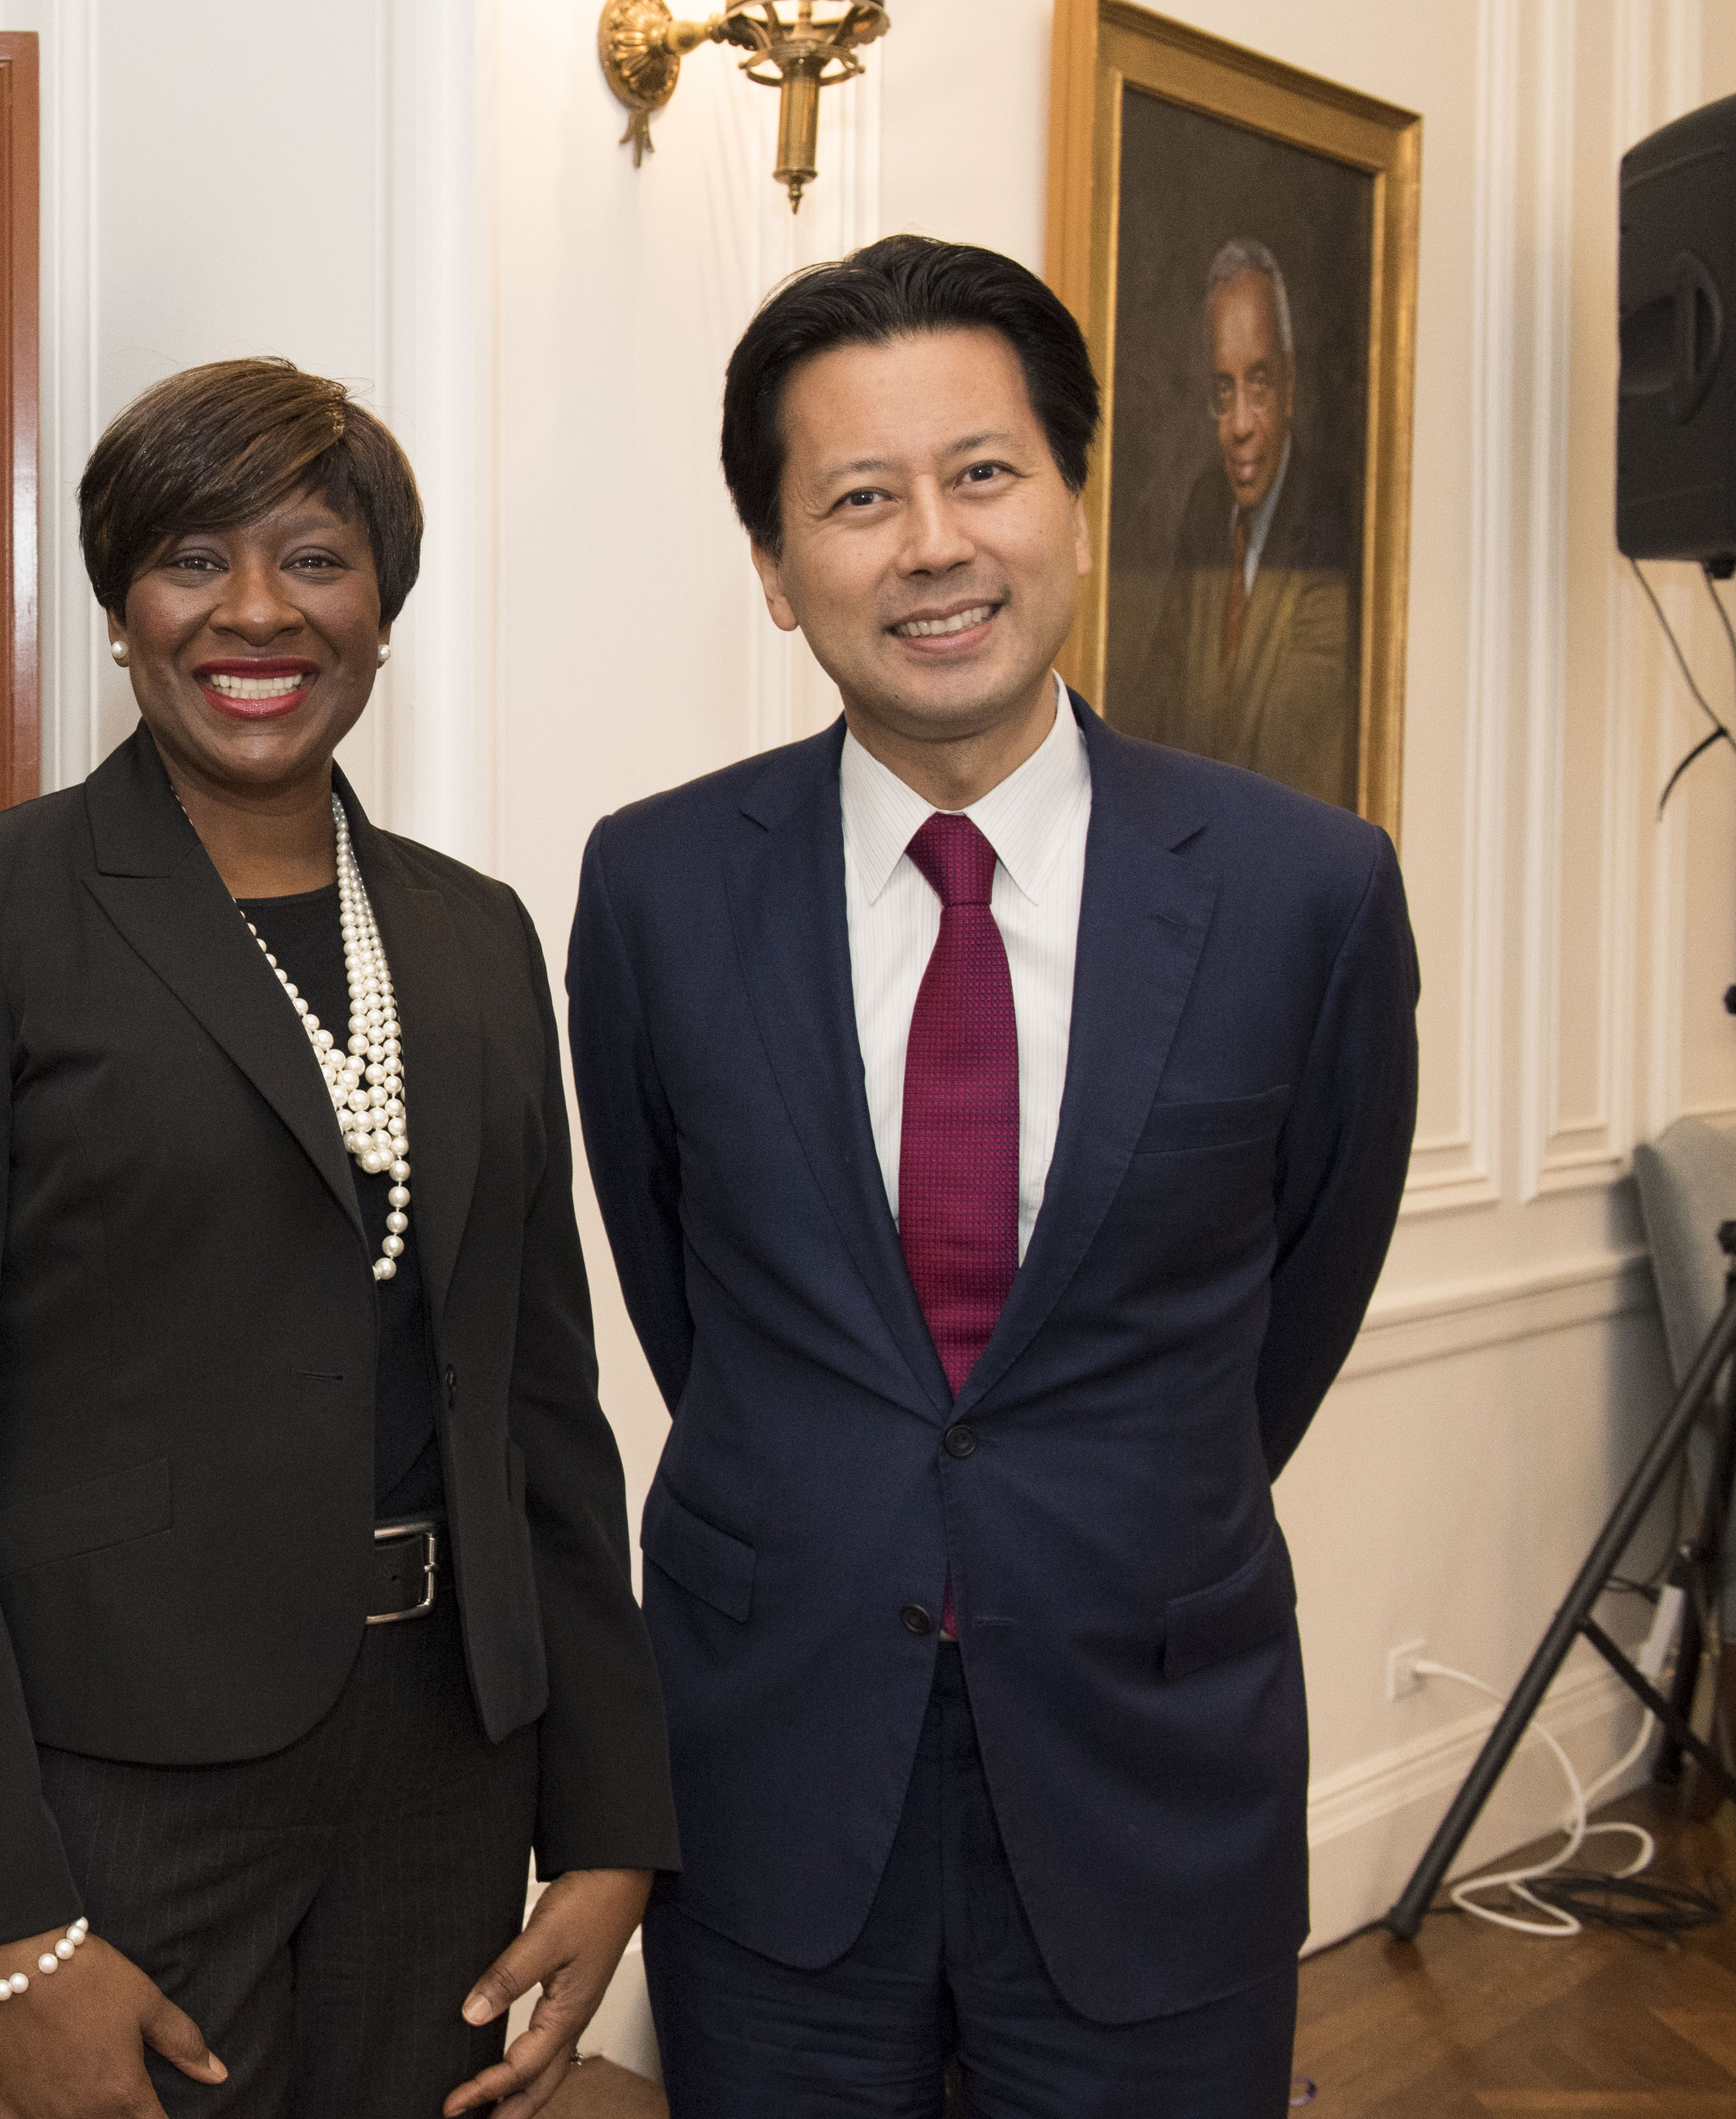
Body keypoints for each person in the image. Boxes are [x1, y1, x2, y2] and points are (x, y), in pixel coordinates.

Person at [565, 236, 1418, 2114]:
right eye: (857, 499)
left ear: (1077, 505)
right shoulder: (654, 887)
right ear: (779, 576)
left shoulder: (1303, 890)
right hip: (772, 1772)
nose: (930, 544)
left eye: (982, 472)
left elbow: (1298, 1284)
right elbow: (684, 1291)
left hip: (1149, 1766)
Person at [0, 358, 678, 2119]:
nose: (257, 609)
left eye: (315, 556)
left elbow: (542, 1410)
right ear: (120, 609)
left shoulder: (476, 933)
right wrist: (2, 1926)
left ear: (383, 607)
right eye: (193, 558)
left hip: (445, 1758)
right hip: (109, 1779)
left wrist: (608, 1824)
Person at [1106, 236, 1360, 806]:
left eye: (1260, 383)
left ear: (1290, 385)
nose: (1239, 423)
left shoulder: (1327, 530)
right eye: (1224, 389)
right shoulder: (1204, 510)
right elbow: (1154, 703)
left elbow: (1282, 752)